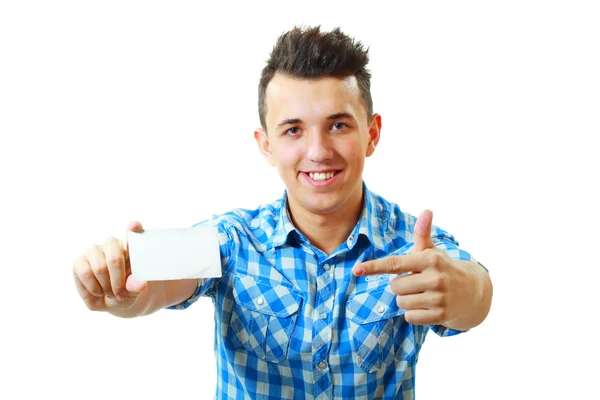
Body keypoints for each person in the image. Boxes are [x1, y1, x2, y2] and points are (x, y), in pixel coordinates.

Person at [72, 25, 493, 399]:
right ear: (266, 145)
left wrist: (465, 291)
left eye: (338, 125)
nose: (317, 151)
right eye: (293, 130)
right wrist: (114, 288)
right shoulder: (233, 239)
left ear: (373, 133)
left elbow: (473, 290)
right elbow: (149, 287)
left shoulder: (411, 246)